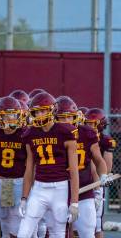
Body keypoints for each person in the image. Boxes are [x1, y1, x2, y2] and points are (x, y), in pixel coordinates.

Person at [17, 92, 79, 238]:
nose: (40, 114)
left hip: (60, 188)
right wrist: (24, 198)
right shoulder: (30, 133)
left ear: (52, 110)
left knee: (58, 233)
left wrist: (75, 202)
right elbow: (29, 169)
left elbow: (74, 171)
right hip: (39, 188)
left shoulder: (66, 132)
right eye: (37, 111)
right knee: (24, 232)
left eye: (43, 110)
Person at [55, 97, 111, 238]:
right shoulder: (51, 133)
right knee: (59, 232)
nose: (66, 121)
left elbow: (98, 161)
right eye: (62, 118)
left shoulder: (87, 133)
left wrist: (103, 176)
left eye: (69, 117)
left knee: (87, 232)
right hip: (58, 191)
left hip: (84, 190)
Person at [0, 97, 27, 238]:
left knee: (14, 223)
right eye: (6, 115)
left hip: (17, 182)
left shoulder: (25, 133)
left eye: (13, 115)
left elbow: (30, 163)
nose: (10, 119)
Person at [84, 108, 117, 238]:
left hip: (96, 182)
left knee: (96, 225)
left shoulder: (106, 140)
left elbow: (107, 169)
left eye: (93, 124)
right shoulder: (80, 136)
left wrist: (98, 184)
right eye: (88, 123)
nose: (89, 127)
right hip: (80, 180)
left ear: (101, 124)